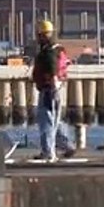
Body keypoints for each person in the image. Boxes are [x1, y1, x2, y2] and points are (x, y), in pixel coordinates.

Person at [32, 19, 75, 160]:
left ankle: (48, 152)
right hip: (55, 88)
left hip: (49, 90)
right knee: (55, 120)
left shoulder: (48, 52)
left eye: (39, 35)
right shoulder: (57, 49)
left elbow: (52, 69)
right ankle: (67, 144)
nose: (37, 38)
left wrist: (50, 83)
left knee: (46, 121)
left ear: (43, 35)